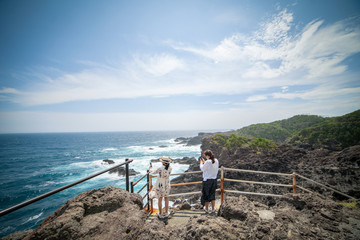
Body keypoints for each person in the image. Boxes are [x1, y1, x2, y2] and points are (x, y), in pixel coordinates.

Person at [200, 150, 219, 214]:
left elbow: (203, 169)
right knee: (212, 195)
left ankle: (207, 209)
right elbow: (211, 166)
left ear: (207, 156)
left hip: (207, 180)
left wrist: (201, 163)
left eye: (205, 156)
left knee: (206, 195)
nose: (205, 157)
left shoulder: (207, 162)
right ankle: (213, 209)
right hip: (214, 180)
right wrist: (205, 163)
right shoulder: (216, 160)